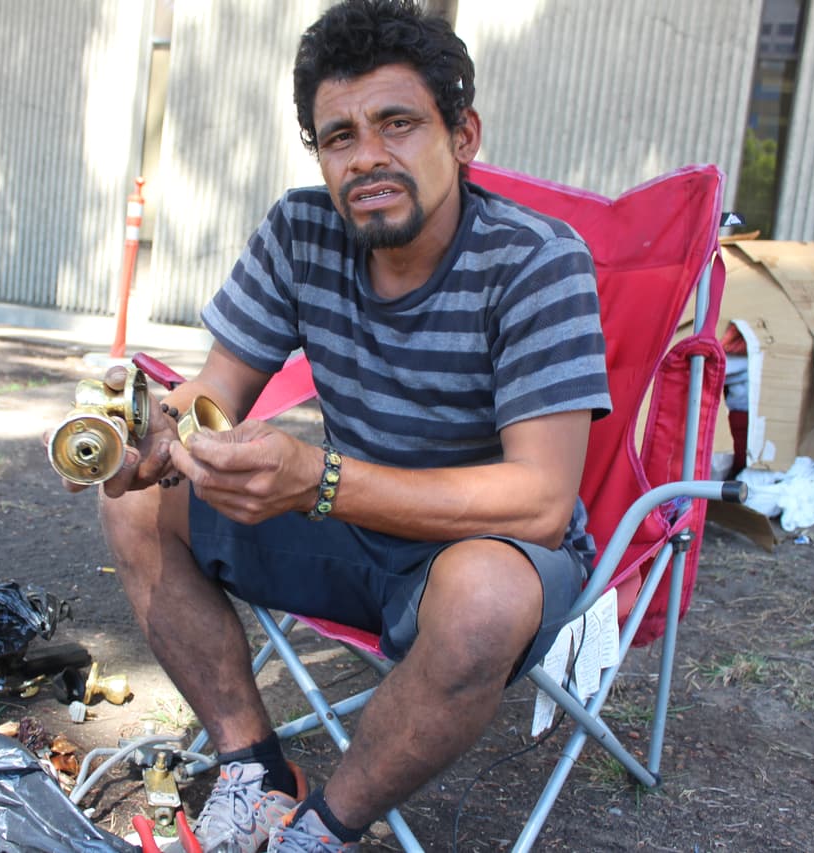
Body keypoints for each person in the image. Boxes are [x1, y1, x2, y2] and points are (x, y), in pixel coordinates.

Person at [83, 1, 611, 850]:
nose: (367, 157)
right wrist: (146, 432)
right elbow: (213, 396)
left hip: (475, 551)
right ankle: (255, 771)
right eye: (339, 136)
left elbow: (541, 502)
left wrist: (321, 479)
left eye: (397, 124)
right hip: (350, 534)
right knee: (137, 504)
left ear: (463, 135)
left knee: (483, 597)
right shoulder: (302, 232)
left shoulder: (538, 262)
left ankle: (322, 828)